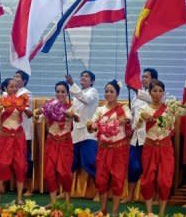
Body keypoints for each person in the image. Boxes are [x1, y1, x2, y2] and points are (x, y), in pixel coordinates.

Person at [137, 79, 186, 216]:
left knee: (165, 182)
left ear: (164, 93)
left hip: (166, 148)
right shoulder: (144, 108)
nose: (157, 93)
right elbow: (137, 123)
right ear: (149, 93)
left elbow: (185, 109)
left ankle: (161, 213)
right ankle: (149, 212)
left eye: (160, 91)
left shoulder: (170, 108)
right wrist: (144, 117)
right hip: (149, 147)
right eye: (154, 91)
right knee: (148, 180)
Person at [86, 80, 131, 216]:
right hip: (103, 149)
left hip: (119, 149)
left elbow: (128, 119)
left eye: (112, 91)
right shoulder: (100, 110)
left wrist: (120, 120)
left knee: (118, 180)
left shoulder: (124, 108)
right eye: (106, 91)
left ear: (117, 93)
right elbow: (92, 125)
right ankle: (103, 209)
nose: (108, 94)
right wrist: (91, 125)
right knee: (101, 180)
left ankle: (115, 211)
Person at [34, 81, 78, 206]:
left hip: (65, 143)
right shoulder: (50, 105)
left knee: (65, 173)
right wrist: (36, 113)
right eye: (58, 91)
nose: (60, 94)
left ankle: (67, 202)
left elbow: (77, 118)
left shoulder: (71, 106)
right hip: (51, 142)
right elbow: (38, 112)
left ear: (67, 93)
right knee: (49, 173)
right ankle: (53, 202)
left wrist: (71, 115)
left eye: (63, 92)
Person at [0, 78, 32, 204]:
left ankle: (19, 198)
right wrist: (2, 107)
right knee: (1, 165)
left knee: (20, 166)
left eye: (15, 87)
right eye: (11, 87)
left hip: (18, 137)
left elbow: (30, 115)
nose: (14, 89)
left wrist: (23, 108)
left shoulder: (22, 100)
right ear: (5, 88)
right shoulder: (1, 101)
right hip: (5, 138)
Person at [124, 68, 157, 203]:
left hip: (149, 139)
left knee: (150, 168)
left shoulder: (156, 95)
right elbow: (132, 115)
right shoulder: (136, 96)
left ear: (153, 80)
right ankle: (130, 196)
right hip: (135, 138)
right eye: (142, 77)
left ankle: (151, 197)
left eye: (146, 77)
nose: (143, 79)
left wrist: (135, 89)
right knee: (133, 167)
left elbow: (149, 98)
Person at [66, 70, 99, 196]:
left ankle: (99, 193)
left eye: (87, 76)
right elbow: (73, 110)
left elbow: (86, 100)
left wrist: (72, 84)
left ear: (92, 81)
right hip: (75, 135)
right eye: (82, 76)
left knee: (90, 162)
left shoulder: (93, 92)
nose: (83, 78)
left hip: (88, 134)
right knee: (71, 164)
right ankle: (66, 192)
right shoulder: (76, 96)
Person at [13, 70, 34, 196]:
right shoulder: (11, 93)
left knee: (26, 160)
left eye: (18, 77)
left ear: (24, 81)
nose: (15, 78)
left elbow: (27, 110)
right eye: (14, 76)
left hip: (24, 133)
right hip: (10, 132)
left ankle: (29, 187)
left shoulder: (26, 93)